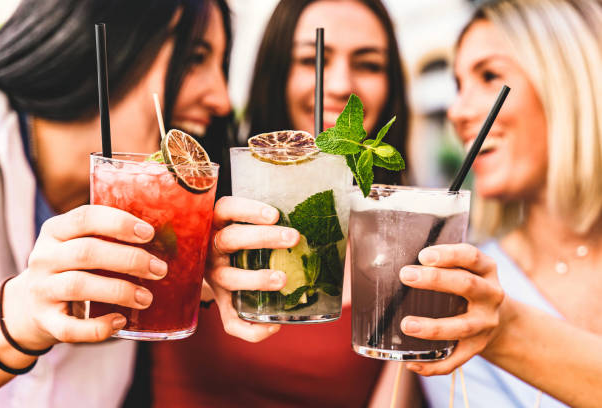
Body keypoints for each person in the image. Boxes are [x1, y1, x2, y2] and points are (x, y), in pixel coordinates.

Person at [149, 1, 503, 407]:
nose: (339, 85)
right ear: (276, 71)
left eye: (368, 64)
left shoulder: (404, 234)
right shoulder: (198, 198)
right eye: (311, 60)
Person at [0, 0, 293, 404]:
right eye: (194, 58)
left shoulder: (133, 207)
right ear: (108, 43)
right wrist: (19, 316)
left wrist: (190, 263)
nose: (221, 99)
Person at [398, 0, 602, 406]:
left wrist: (504, 330)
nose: (457, 111)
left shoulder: (476, 301)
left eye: (490, 75)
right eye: (457, 85)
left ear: (569, 83)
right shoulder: (461, 286)